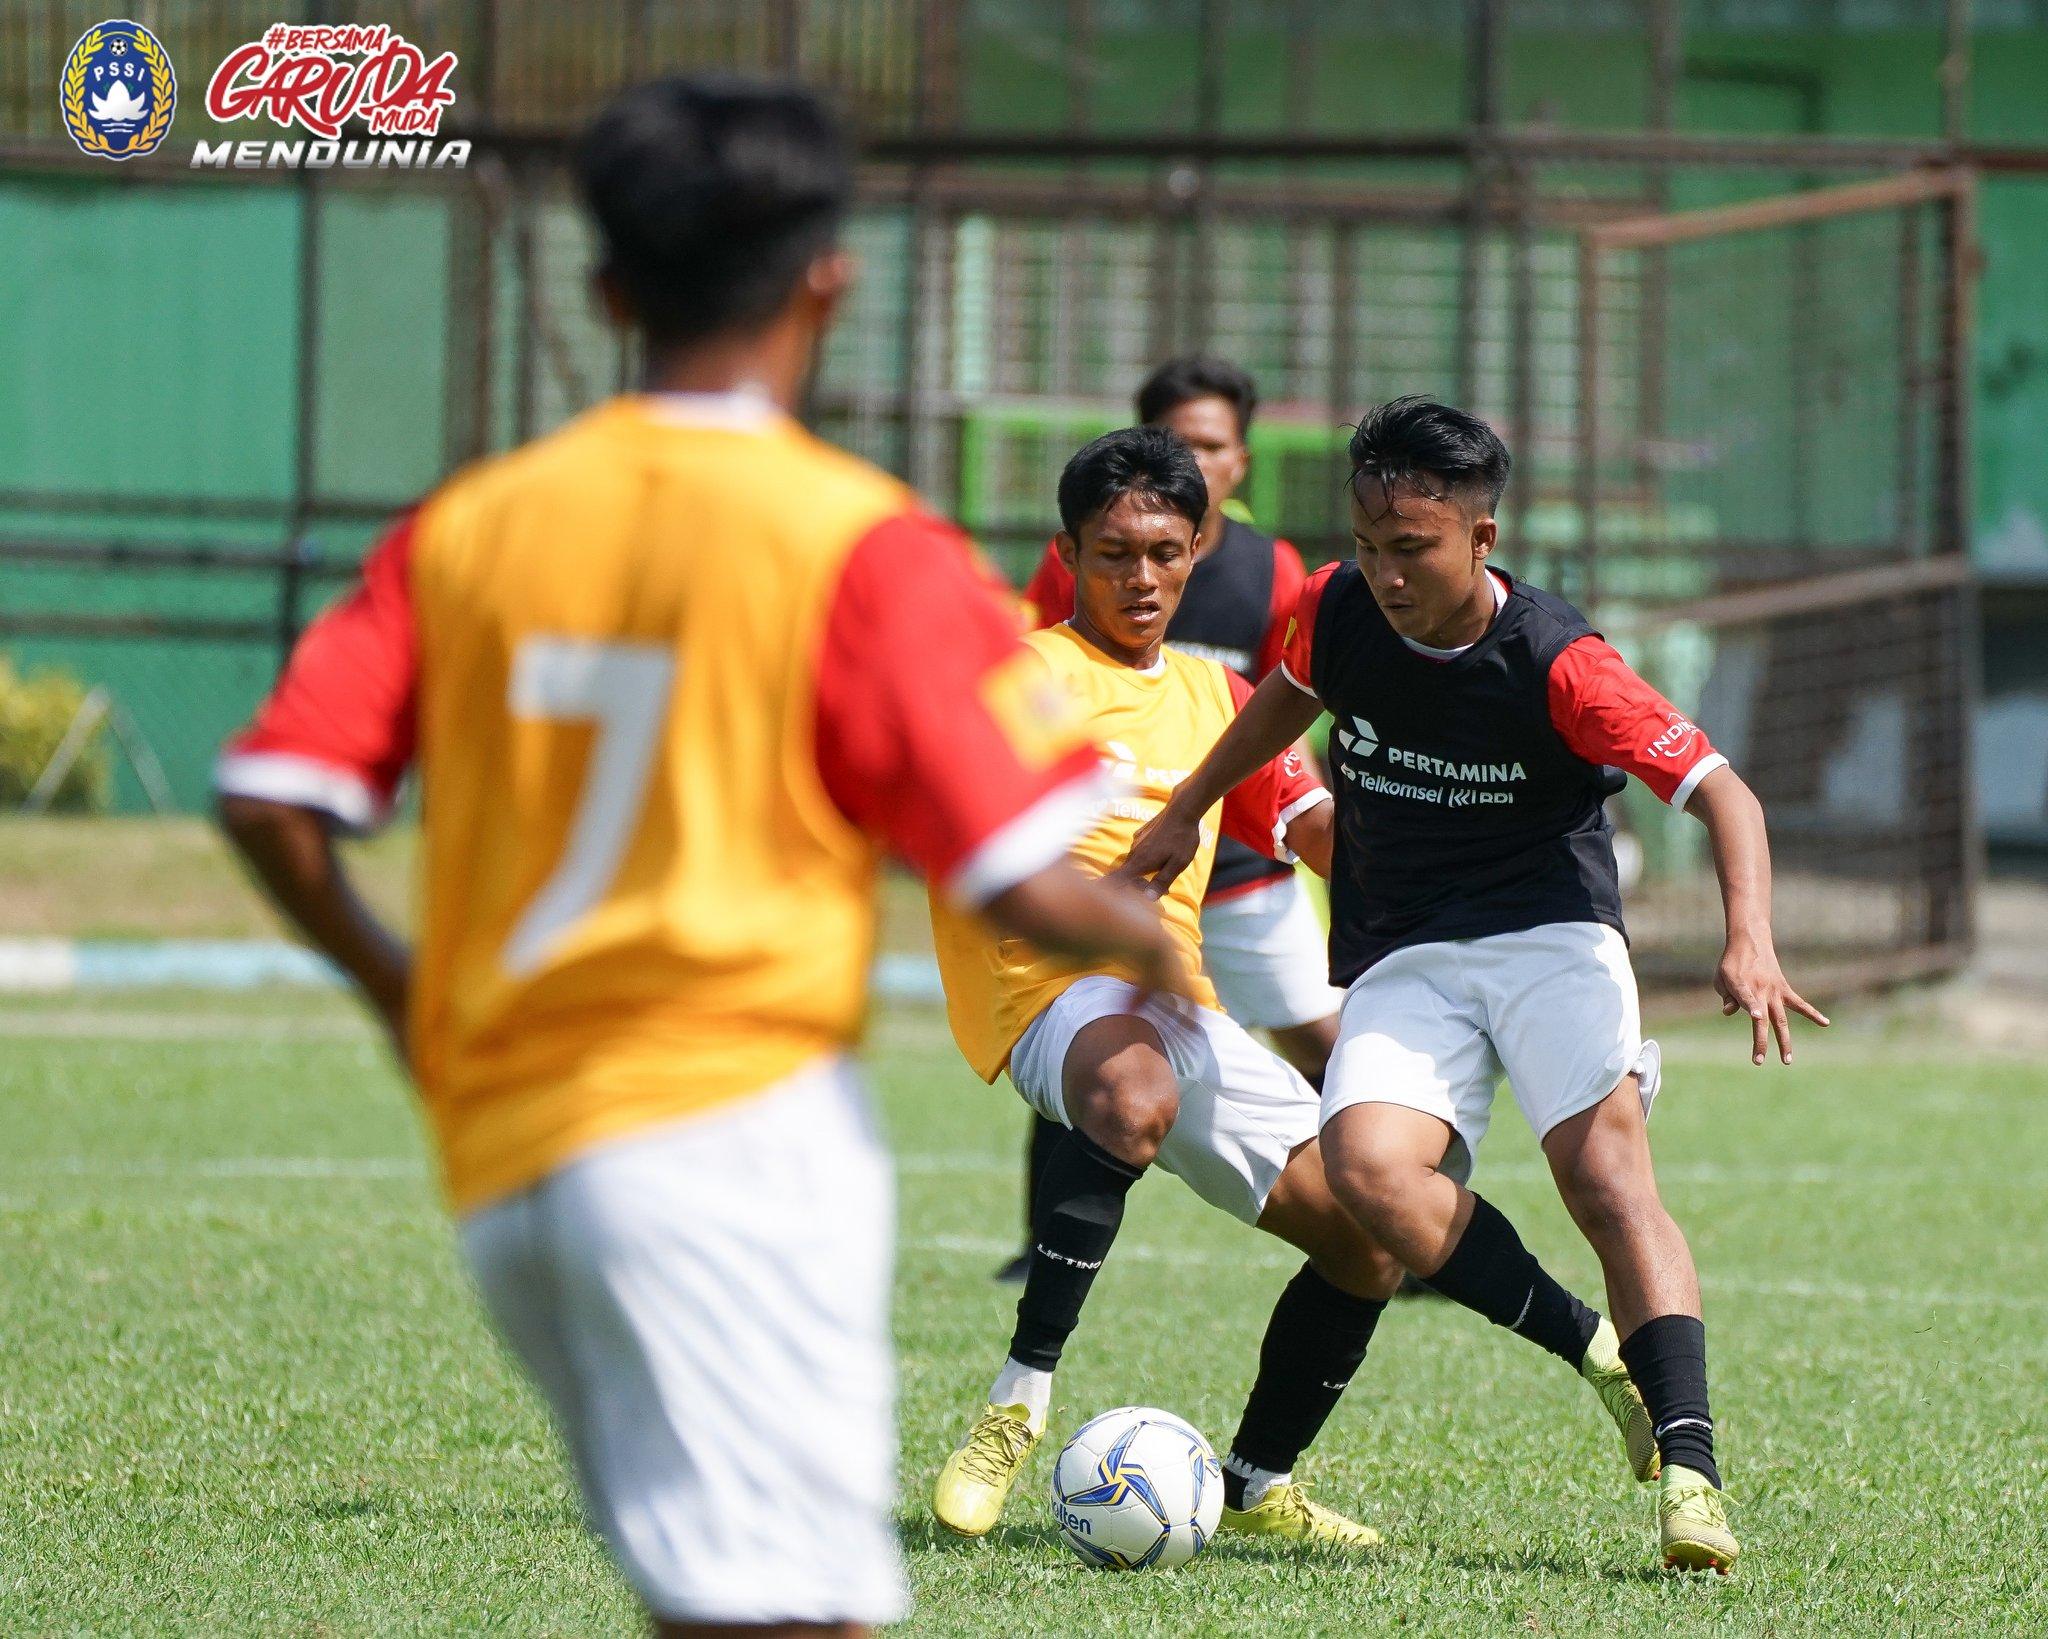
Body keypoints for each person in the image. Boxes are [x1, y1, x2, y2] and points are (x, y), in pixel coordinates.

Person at [214, 77, 1183, 1639]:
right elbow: (1015, 870)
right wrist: (1143, 942)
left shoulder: (473, 523)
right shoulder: (858, 542)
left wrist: (400, 993)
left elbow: (272, 796)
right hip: (721, 1141)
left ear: (607, 291)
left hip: (511, 1158)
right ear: (829, 283)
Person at [1123, 395, 1832, 1574]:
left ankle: (1691, 1475)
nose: (1386, 572)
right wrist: (1187, 807)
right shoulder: (1338, 606)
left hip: (1549, 934)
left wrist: (1747, 938)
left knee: (1603, 1179)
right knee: (1365, 1173)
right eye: (1367, 543)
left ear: (1480, 536)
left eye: (1412, 547)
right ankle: (1596, 1353)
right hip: (1408, 947)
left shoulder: (1560, 662)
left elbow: (1723, 790)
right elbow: (1285, 695)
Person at [927, 426, 1663, 1553]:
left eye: (1164, 553)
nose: (1141, 578)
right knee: (1129, 1091)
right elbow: (963, 828)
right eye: (1113, 553)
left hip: (1175, 1010)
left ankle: (1263, 1479)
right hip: (1043, 989)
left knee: (1368, 1233)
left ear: (1197, 549)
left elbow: (1324, 832)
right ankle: (1014, 1405)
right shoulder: (1025, 679)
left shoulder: (1219, 696)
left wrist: (1497, 897)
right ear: (1066, 555)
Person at [996, 356, 1341, 1284]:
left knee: (1325, 1039)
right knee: (1093, 1038)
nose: (1201, 459)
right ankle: (1044, 1241)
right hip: (1123, 871)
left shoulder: (1274, 570)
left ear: (1241, 461)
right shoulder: (1081, 565)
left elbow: (1284, 705)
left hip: (1244, 866)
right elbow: (1049, 683)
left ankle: (1391, 1207)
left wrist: (1306, 815)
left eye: (1215, 445)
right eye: (1182, 442)